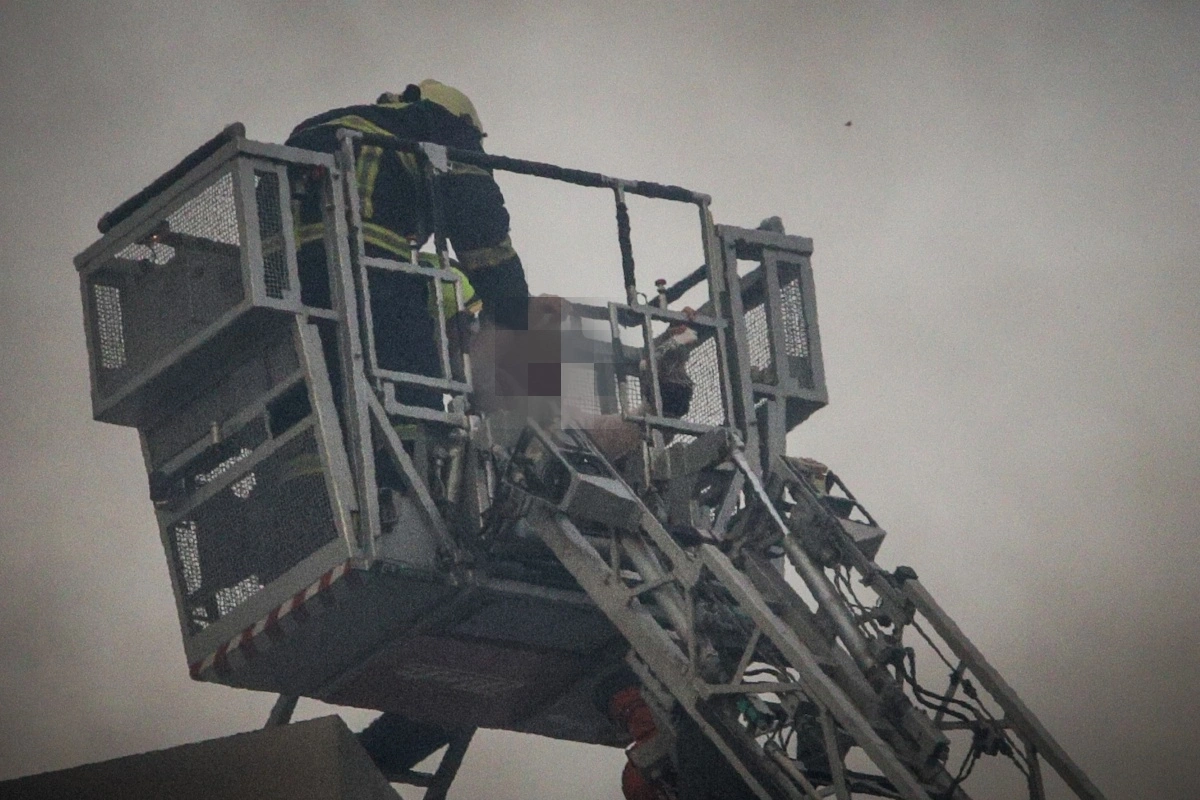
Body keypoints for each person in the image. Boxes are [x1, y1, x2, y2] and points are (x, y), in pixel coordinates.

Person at [286, 79, 531, 410]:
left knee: (308, 414)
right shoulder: (442, 127)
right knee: (413, 401)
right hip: (371, 283)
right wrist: (512, 315)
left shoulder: (335, 127)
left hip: (286, 294)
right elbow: (482, 236)